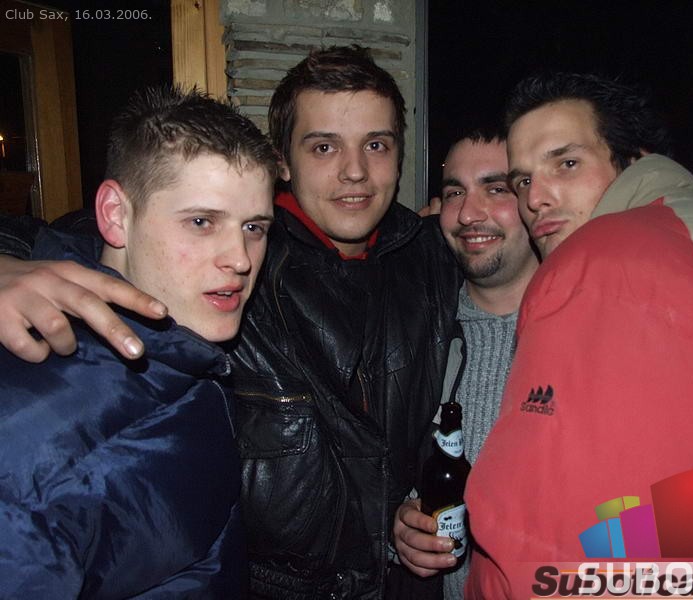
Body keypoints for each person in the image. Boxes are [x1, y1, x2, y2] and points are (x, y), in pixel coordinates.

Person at [0, 46, 461, 599]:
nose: (355, 171)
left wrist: (406, 514)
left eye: (377, 145)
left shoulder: (427, 256)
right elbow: (77, 239)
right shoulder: (232, 272)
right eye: (323, 146)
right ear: (284, 162)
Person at [463, 72, 693, 599]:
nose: (537, 198)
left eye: (566, 164)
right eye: (523, 180)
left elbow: (573, 558)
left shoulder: (608, 262)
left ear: (634, 158)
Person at [0, 86, 278, 597]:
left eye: (254, 227)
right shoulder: (30, 433)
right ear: (115, 215)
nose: (240, 258)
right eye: (201, 222)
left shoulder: (182, 349)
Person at [392, 128, 538, 599]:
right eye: (455, 192)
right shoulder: (411, 331)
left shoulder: (585, 332)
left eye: (496, 188)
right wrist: (401, 528)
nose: (469, 213)